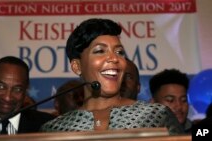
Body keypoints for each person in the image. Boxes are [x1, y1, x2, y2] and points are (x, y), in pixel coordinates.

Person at [40, 18, 183, 135]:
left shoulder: (156, 115)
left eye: (119, 52)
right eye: (100, 51)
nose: (114, 58)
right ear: (77, 67)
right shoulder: (55, 128)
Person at [0, 56, 55, 136]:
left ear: (26, 89)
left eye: (17, 89)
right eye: (1, 87)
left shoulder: (49, 126)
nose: (7, 98)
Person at [149, 69, 192, 133]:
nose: (179, 106)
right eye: (170, 100)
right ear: (153, 103)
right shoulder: (142, 134)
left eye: (184, 100)